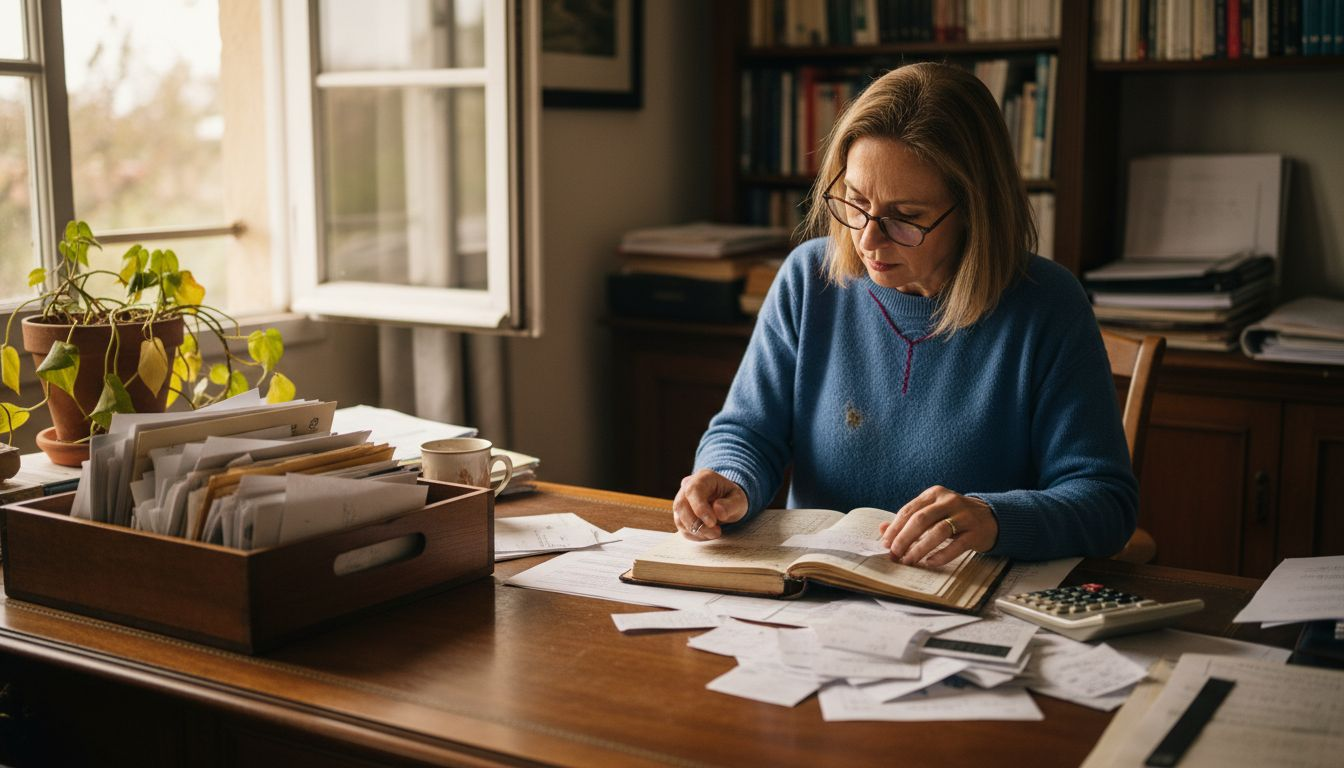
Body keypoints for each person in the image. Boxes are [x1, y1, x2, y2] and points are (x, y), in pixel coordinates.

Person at [671, 62, 1137, 565]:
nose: (867, 239)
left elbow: (1105, 503)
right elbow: (746, 431)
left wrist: (992, 518)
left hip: (970, 610)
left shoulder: (1048, 304)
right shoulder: (810, 279)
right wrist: (728, 478)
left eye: (906, 217)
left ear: (974, 211)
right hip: (813, 597)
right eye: (854, 201)